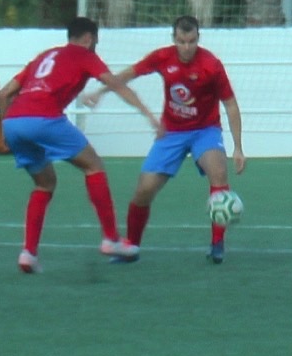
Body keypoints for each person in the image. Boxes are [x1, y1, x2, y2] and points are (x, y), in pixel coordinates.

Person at [0, 16, 161, 274]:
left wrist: (5, 130)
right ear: (88, 38)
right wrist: (149, 114)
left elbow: (4, 93)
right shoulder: (84, 55)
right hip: (44, 118)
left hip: (13, 121)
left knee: (44, 184)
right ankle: (111, 239)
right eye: (95, 41)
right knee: (93, 166)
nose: (95, 46)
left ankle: (28, 253)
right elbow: (116, 84)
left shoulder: (45, 55)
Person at [80, 15, 245, 263]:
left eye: (192, 41)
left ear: (198, 38)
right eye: (181, 41)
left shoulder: (211, 65)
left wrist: (238, 148)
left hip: (205, 130)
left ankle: (217, 244)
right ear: (174, 39)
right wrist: (101, 91)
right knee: (144, 190)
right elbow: (130, 74)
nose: (187, 47)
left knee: (218, 172)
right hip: (171, 132)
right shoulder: (162, 57)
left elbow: (230, 104)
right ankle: (131, 247)